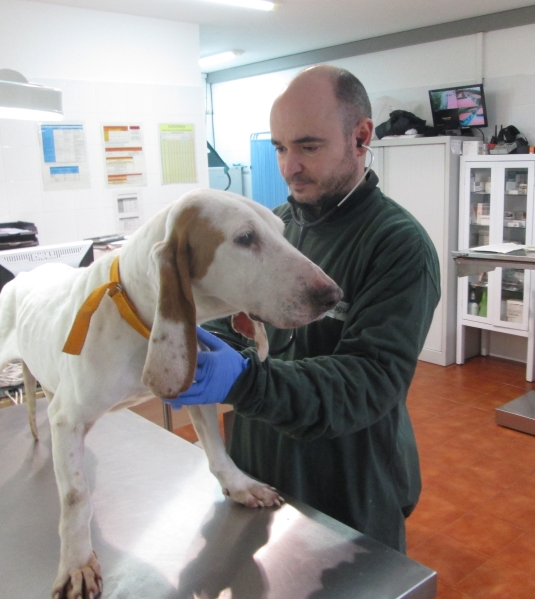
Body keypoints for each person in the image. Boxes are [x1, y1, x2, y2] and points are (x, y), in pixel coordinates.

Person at [169, 65, 440, 553]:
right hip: (257, 468)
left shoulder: (398, 246)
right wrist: (198, 343)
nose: (289, 166)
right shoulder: (271, 227)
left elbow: (369, 381)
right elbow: (235, 323)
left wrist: (245, 381)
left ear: (360, 138)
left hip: (347, 489)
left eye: (308, 147)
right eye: (279, 147)